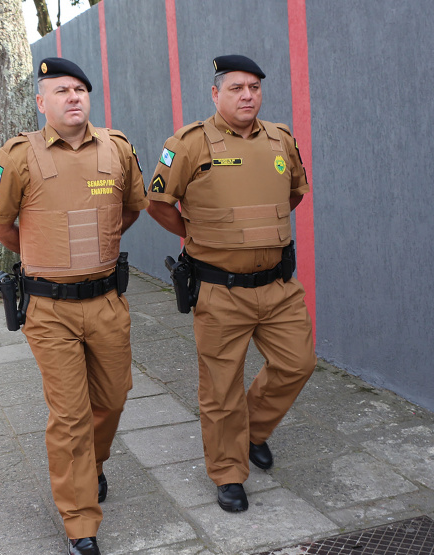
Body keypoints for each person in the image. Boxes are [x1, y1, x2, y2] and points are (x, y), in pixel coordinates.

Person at [0, 57, 148, 555]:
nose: (73, 97)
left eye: (80, 89)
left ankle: (91, 465)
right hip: (49, 309)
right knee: (70, 415)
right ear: (41, 102)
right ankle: (80, 522)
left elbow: (132, 209)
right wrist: (44, 256)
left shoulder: (117, 149)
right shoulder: (16, 156)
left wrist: (96, 249)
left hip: (106, 301)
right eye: (61, 91)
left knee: (113, 399)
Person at [146, 54, 317, 513]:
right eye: (237, 87)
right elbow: (159, 203)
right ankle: (227, 472)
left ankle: (253, 431)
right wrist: (198, 235)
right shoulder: (187, 144)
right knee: (220, 388)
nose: (247, 95)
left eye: (255, 88)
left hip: (279, 287)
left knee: (297, 364)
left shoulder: (280, 139)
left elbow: (295, 193)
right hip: (219, 290)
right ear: (215, 93)